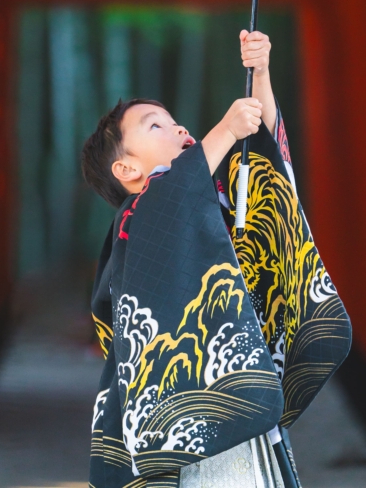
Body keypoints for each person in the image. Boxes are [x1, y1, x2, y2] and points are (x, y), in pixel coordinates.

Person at [82, 30, 351, 488]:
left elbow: (267, 171)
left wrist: (260, 75)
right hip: (182, 420)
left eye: (174, 121)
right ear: (127, 170)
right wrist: (226, 129)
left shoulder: (213, 204)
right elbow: (172, 201)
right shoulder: (138, 221)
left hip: (240, 403)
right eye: (155, 126)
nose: (179, 129)